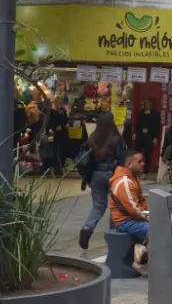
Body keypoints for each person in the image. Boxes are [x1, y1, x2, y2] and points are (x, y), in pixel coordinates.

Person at [78, 113, 125, 250]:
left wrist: (87, 177)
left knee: (98, 205)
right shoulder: (116, 138)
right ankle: (113, 233)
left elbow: (87, 158)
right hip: (112, 174)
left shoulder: (93, 137)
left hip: (96, 175)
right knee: (116, 204)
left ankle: (87, 229)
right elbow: (120, 158)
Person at [109, 150, 150, 277]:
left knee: (159, 227)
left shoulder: (131, 179)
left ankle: (143, 251)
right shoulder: (124, 182)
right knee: (157, 230)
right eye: (140, 161)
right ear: (129, 164)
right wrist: (152, 218)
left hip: (131, 218)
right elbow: (135, 210)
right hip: (125, 222)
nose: (143, 164)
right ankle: (142, 263)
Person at [134, 99, 161, 173]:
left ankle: (145, 171)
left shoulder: (155, 114)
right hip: (140, 135)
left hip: (149, 136)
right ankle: (136, 170)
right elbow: (137, 124)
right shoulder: (141, 112)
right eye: (146, 103)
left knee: (147, 154)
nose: (148, 104)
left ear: (152, 104)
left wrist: (156, 137)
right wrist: (135, 133)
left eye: (149, 103)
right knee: (137, 153)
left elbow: (157, 127)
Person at [44, 96, 69, 177]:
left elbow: (66, 120)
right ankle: (52, 170)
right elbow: (48, 122)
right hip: (53, 133)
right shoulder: (50, 111)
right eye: (56, 101)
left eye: (59, 100)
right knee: (53, 151)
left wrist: (66, 125)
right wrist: (48, 130)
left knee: (63, 150)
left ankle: (62, 168)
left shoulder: (62, 110)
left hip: (62, 133)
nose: (58, 102)